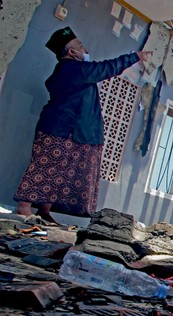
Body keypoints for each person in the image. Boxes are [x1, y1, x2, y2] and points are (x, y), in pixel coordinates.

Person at [13, 27, 152, 223]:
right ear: (71, 53)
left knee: (60, 172)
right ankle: (23, 208)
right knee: (45, 168)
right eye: (80, 46)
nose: (84, 48)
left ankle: (44, 211)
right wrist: (134, 57)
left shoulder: (76, 71)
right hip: (59, 130)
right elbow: (104, 69)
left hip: (73, 131)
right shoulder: (71, 69)